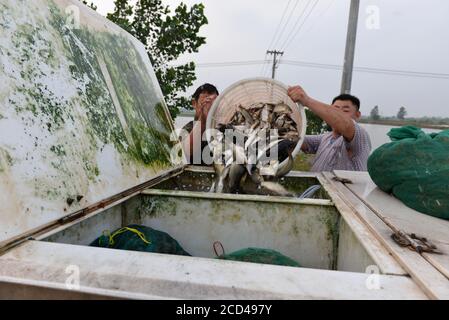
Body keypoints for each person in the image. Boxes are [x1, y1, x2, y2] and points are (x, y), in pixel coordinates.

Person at [287, 85, 371, 172]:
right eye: (335, 109)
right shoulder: (326, 138)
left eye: (345, 111)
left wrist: (307, 101)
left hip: (346, 186)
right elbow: (299, 140)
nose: (338, 114)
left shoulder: (360, 136)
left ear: (357, 115)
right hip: (318, 185)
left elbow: (346, 124)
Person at [181, 83, 219, 165]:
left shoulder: (221, 130)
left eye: (213, 105)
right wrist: (203, 118)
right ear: (194, 103)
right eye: (204, 103)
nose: (210, 109)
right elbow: (183, 152)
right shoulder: (188, 128)